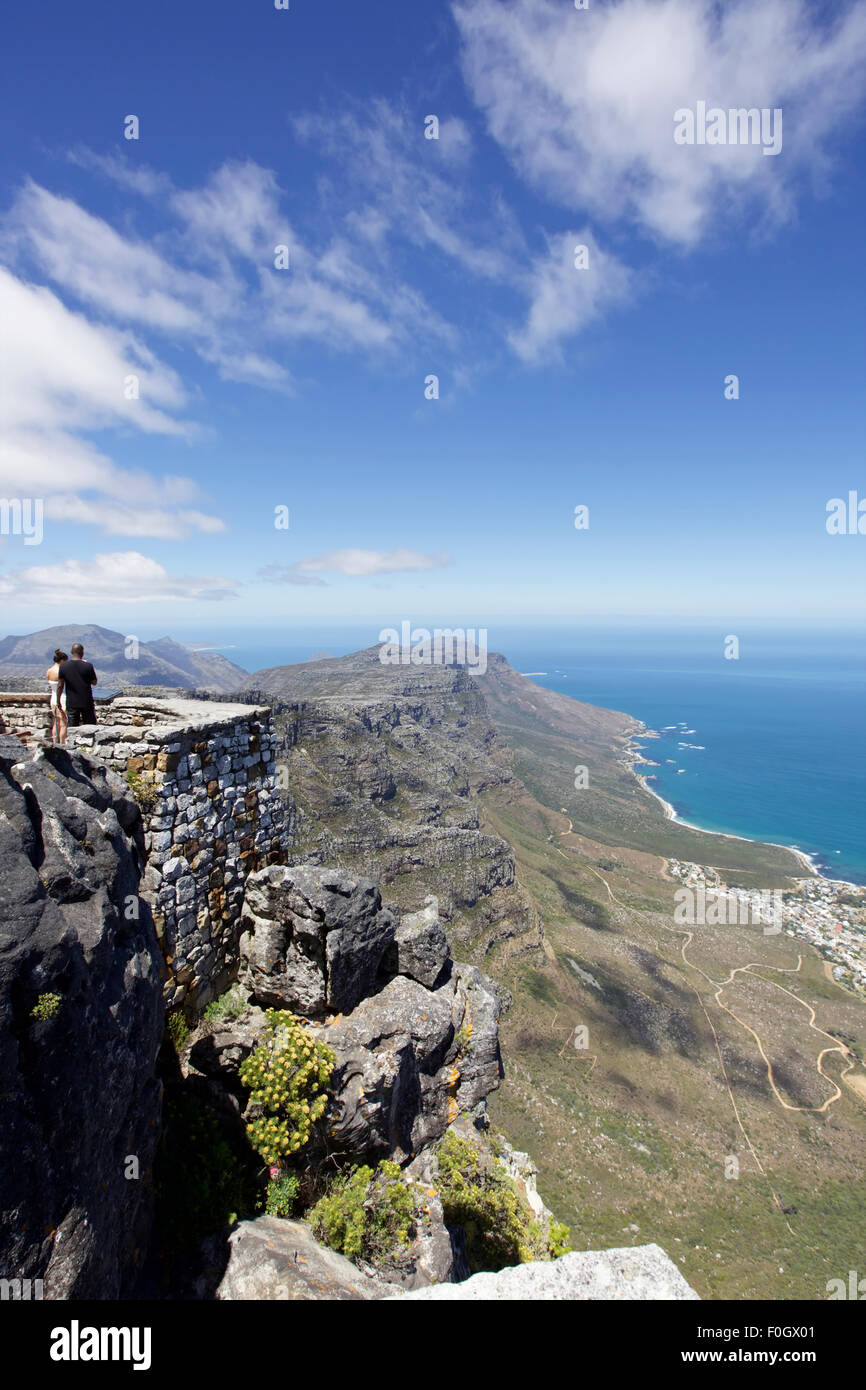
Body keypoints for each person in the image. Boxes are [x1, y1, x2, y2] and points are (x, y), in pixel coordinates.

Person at [58, 642, 98, 727]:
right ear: (82, 653)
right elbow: (94, 682)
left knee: (72, 727)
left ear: (71, 652)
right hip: (87, 701)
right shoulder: (88, 666)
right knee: (90, 727)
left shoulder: (63, 667)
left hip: (72, 702)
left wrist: (58, 700)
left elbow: (60, 685)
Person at [45, 648, 68, 745]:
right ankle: (62, 744)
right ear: (62, 660)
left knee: (56, 722)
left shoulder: (49, 671)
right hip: (61, 698)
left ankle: (54, 743)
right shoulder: (61, 671)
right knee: (63, 724)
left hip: (53, 698)